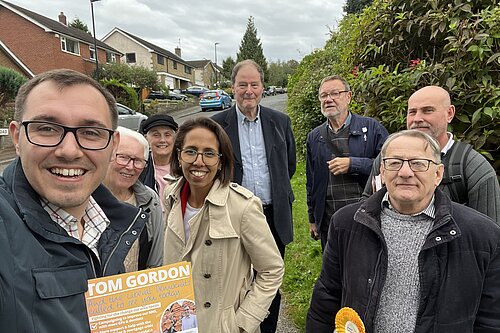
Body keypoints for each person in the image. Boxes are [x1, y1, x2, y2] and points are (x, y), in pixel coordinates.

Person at [306, 130, 500, 332]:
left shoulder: (484, 237)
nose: (405, 172)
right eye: (394, 162)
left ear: (438, 174)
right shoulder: (347, 223)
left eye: (418, 163)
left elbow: (491, 321)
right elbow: (327, 298)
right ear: (382, 170)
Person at [0, 69, 148, 332]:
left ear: (113, 146)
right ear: (17, 138)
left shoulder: (114, 222)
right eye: (46, 128)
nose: (69, 151)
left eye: (91, 132)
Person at [162, 117, 284, 333]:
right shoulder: (169, 198)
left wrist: (243, 322)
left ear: (220, 161)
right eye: (190, 151)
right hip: (179, 324)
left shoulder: (243, 206)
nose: (199, 161)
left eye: (209, 153)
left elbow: (272, 270)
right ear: (179, 156)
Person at [212, 59, 296, 333]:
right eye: (242, 84)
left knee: (269, 280)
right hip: (230, 216)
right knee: (232, 281)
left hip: (271, 215)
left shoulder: (280, 122)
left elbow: (289, 164)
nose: (249, 90)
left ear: (262, 87)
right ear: (232, 88)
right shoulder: (216, 125)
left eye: (254, 84)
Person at [363, 86, 500, 221]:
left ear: (450, 113)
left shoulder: (472, 167)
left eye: (427, 111)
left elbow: (488, 232)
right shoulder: (388, 157)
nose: (417, 118)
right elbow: (366, 207)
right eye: (412, 112)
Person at [307, 75, 388, 250]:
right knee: (334, 267)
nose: (328, 99)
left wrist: (353, 164)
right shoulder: (315, 136)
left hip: (366, 213)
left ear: (348, 97)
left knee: (365, 263)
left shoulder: (372, 128)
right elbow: (311, 181)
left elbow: (389, 166)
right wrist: (313, 219)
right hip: (330, 217)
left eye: (335, 93)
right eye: (323, 95)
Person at [103, 126, 163, 271]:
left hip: (137, 292)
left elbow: (156, 261)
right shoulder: (85, 199)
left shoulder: (149, 199)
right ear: (107, 156)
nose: (130, 167)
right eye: (123, 157)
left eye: (138, 161)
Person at [139, 113, 179, 204]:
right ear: (146, 139)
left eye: (167, 135)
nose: (162, 140)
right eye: (156, 135)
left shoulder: (185, 166)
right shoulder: (139, 167)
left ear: (175, 138)